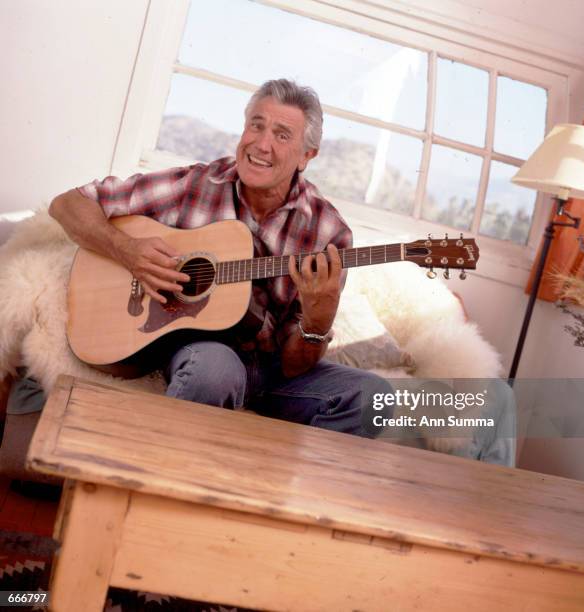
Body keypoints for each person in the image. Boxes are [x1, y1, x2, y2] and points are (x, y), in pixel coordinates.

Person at [48, 78, 393, 437]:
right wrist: (129, 251)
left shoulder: (329, 233)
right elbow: (68, 204)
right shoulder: (193, 185)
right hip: (204, 352)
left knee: (373, 397)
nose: (262, 144)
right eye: (256, 126)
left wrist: (317, 323)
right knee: (213, 371)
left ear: (307, 156)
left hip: (274, 370)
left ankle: (279, 486)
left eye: (281, 135)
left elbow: (294, 367)